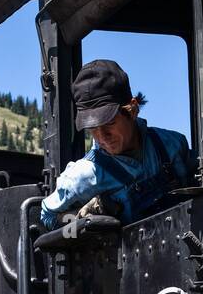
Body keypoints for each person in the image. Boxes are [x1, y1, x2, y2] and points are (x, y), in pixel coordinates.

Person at [40, 59, 194, 229]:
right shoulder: (82, 178)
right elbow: (47, 216)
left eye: (109, 123)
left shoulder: (172, 145)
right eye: (92, 128)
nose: (102, 137)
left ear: (132, 109)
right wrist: (80, 219)